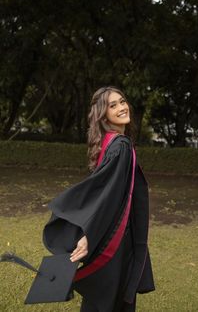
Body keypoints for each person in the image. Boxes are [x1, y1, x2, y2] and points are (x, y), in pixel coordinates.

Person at [43, 86, 155, 312]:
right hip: (116, 239)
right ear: (104, 114)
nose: (122, 107)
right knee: (110, 301)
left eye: (122, 101)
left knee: (102, 298)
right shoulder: (121, 146)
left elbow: (103, 192)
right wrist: (88, 235)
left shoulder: (109, 141)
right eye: (113, 105)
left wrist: (89, 232)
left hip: (108, 231)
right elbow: (108, 195)